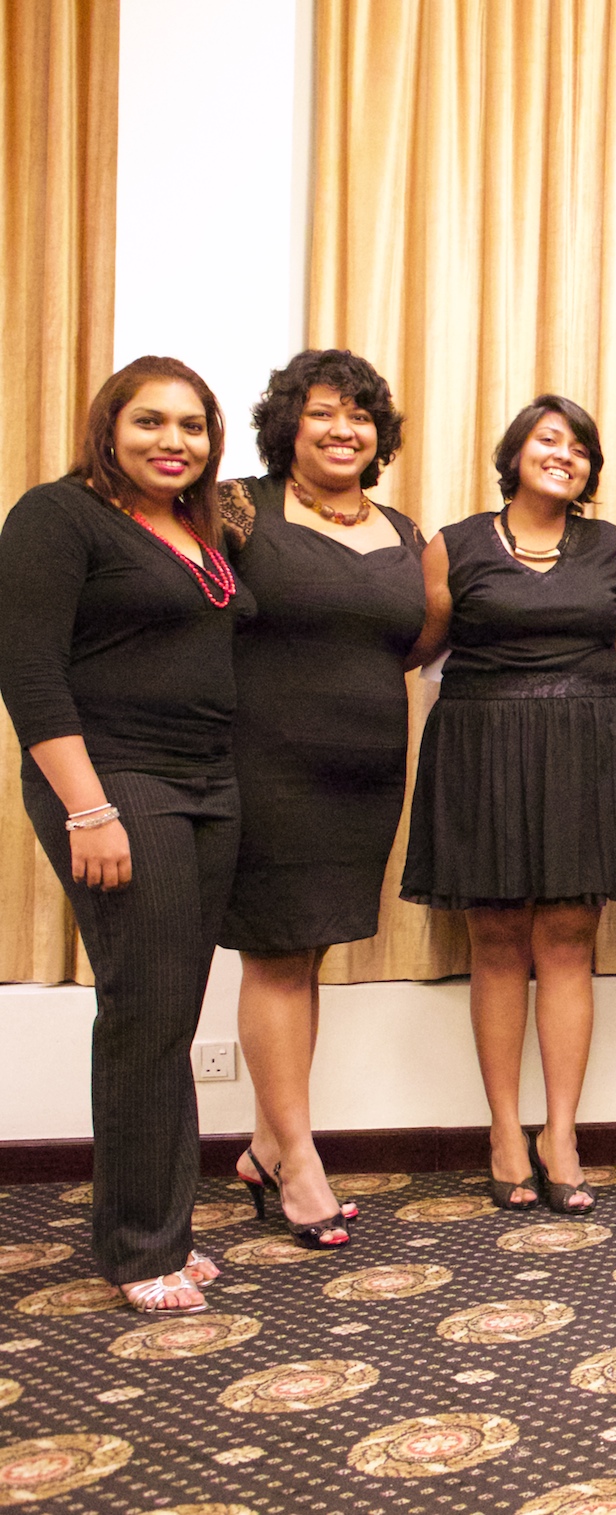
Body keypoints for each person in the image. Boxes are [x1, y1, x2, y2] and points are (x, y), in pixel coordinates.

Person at [0, 356, 250, 1313]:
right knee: (144, 1007)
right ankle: (141, 1248)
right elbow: (28, 668)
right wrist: (88, 807)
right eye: (151, 422)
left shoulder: (201, 532)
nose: (172, 442)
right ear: (109, 426)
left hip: (206, 782)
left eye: (191, 427)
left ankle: (163, 1227)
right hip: (116, 781)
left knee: (172, 1011)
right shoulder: (57, 516)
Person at [401, 395, 616, 1215]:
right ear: (515, 454)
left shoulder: (614, 546)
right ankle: (505, 1130)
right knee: (498, 938)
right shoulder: (455, 544)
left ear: (589, 470)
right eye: (549, 439)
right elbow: (421, 645)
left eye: (579, 445)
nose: (564, 453)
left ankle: (562, 1132)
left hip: (582, 748)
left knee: (570, 937)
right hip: (482, 750)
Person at [216, 350, 428, 1250]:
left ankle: (268, 1141)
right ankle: (298, 1162)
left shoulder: (404, 528)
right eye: (323, 412)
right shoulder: (235, 508)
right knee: (273, 951)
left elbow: (416, 644)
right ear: (287, 425)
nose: (344, 429)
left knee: (309, 955)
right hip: (263, 763)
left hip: (368, 771)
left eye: (360, 416)